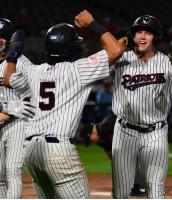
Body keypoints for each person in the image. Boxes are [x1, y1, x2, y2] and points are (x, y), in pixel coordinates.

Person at [3, 10, 125, 198]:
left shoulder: (35, 71)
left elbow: (8, 79)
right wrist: (92, 23)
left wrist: (12, 55)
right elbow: (116, 50)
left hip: (30, 150)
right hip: (57, 150)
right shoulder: (78, 69)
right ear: (72, 48)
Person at [110, 15, 172, 198]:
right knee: (121, 191)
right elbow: (92, 66)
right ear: (132, 36)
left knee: (155, 189)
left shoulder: (166, 62)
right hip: (124, 131)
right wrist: (115, 49)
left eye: (147, 33)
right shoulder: (120, 59)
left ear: (155, 37)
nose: (142, 37)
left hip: (155, 132)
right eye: (139, 32)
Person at [0, 18, 34, 198]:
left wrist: (6, 112)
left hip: (17, 125)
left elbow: (33, 100)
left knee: (12, 171)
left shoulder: (21, 63)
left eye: (3, 36)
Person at [77, 114, 146, 196]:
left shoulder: (106, 126)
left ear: (92, 133)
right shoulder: (101, 139)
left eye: (89, 139)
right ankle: (133, 184)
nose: (92, 142)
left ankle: (139, 185)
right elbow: (111, 154)